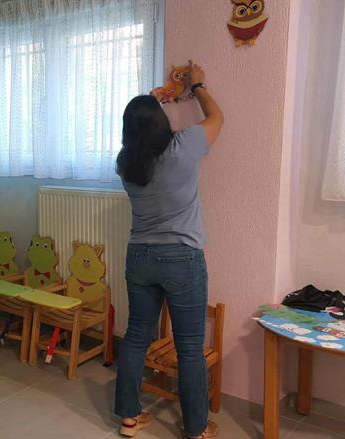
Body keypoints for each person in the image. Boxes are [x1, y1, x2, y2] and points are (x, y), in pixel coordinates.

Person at [114, 60, 224, 439]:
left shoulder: (125, 163)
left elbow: (142, 132)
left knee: (135, 336)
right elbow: (217, 118)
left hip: (140, 256)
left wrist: (151, 101)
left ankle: (129, 418)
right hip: (181, 258)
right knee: (190, 347)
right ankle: (196, 429)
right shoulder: (183, 147)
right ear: (161, 122)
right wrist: (197, 87)